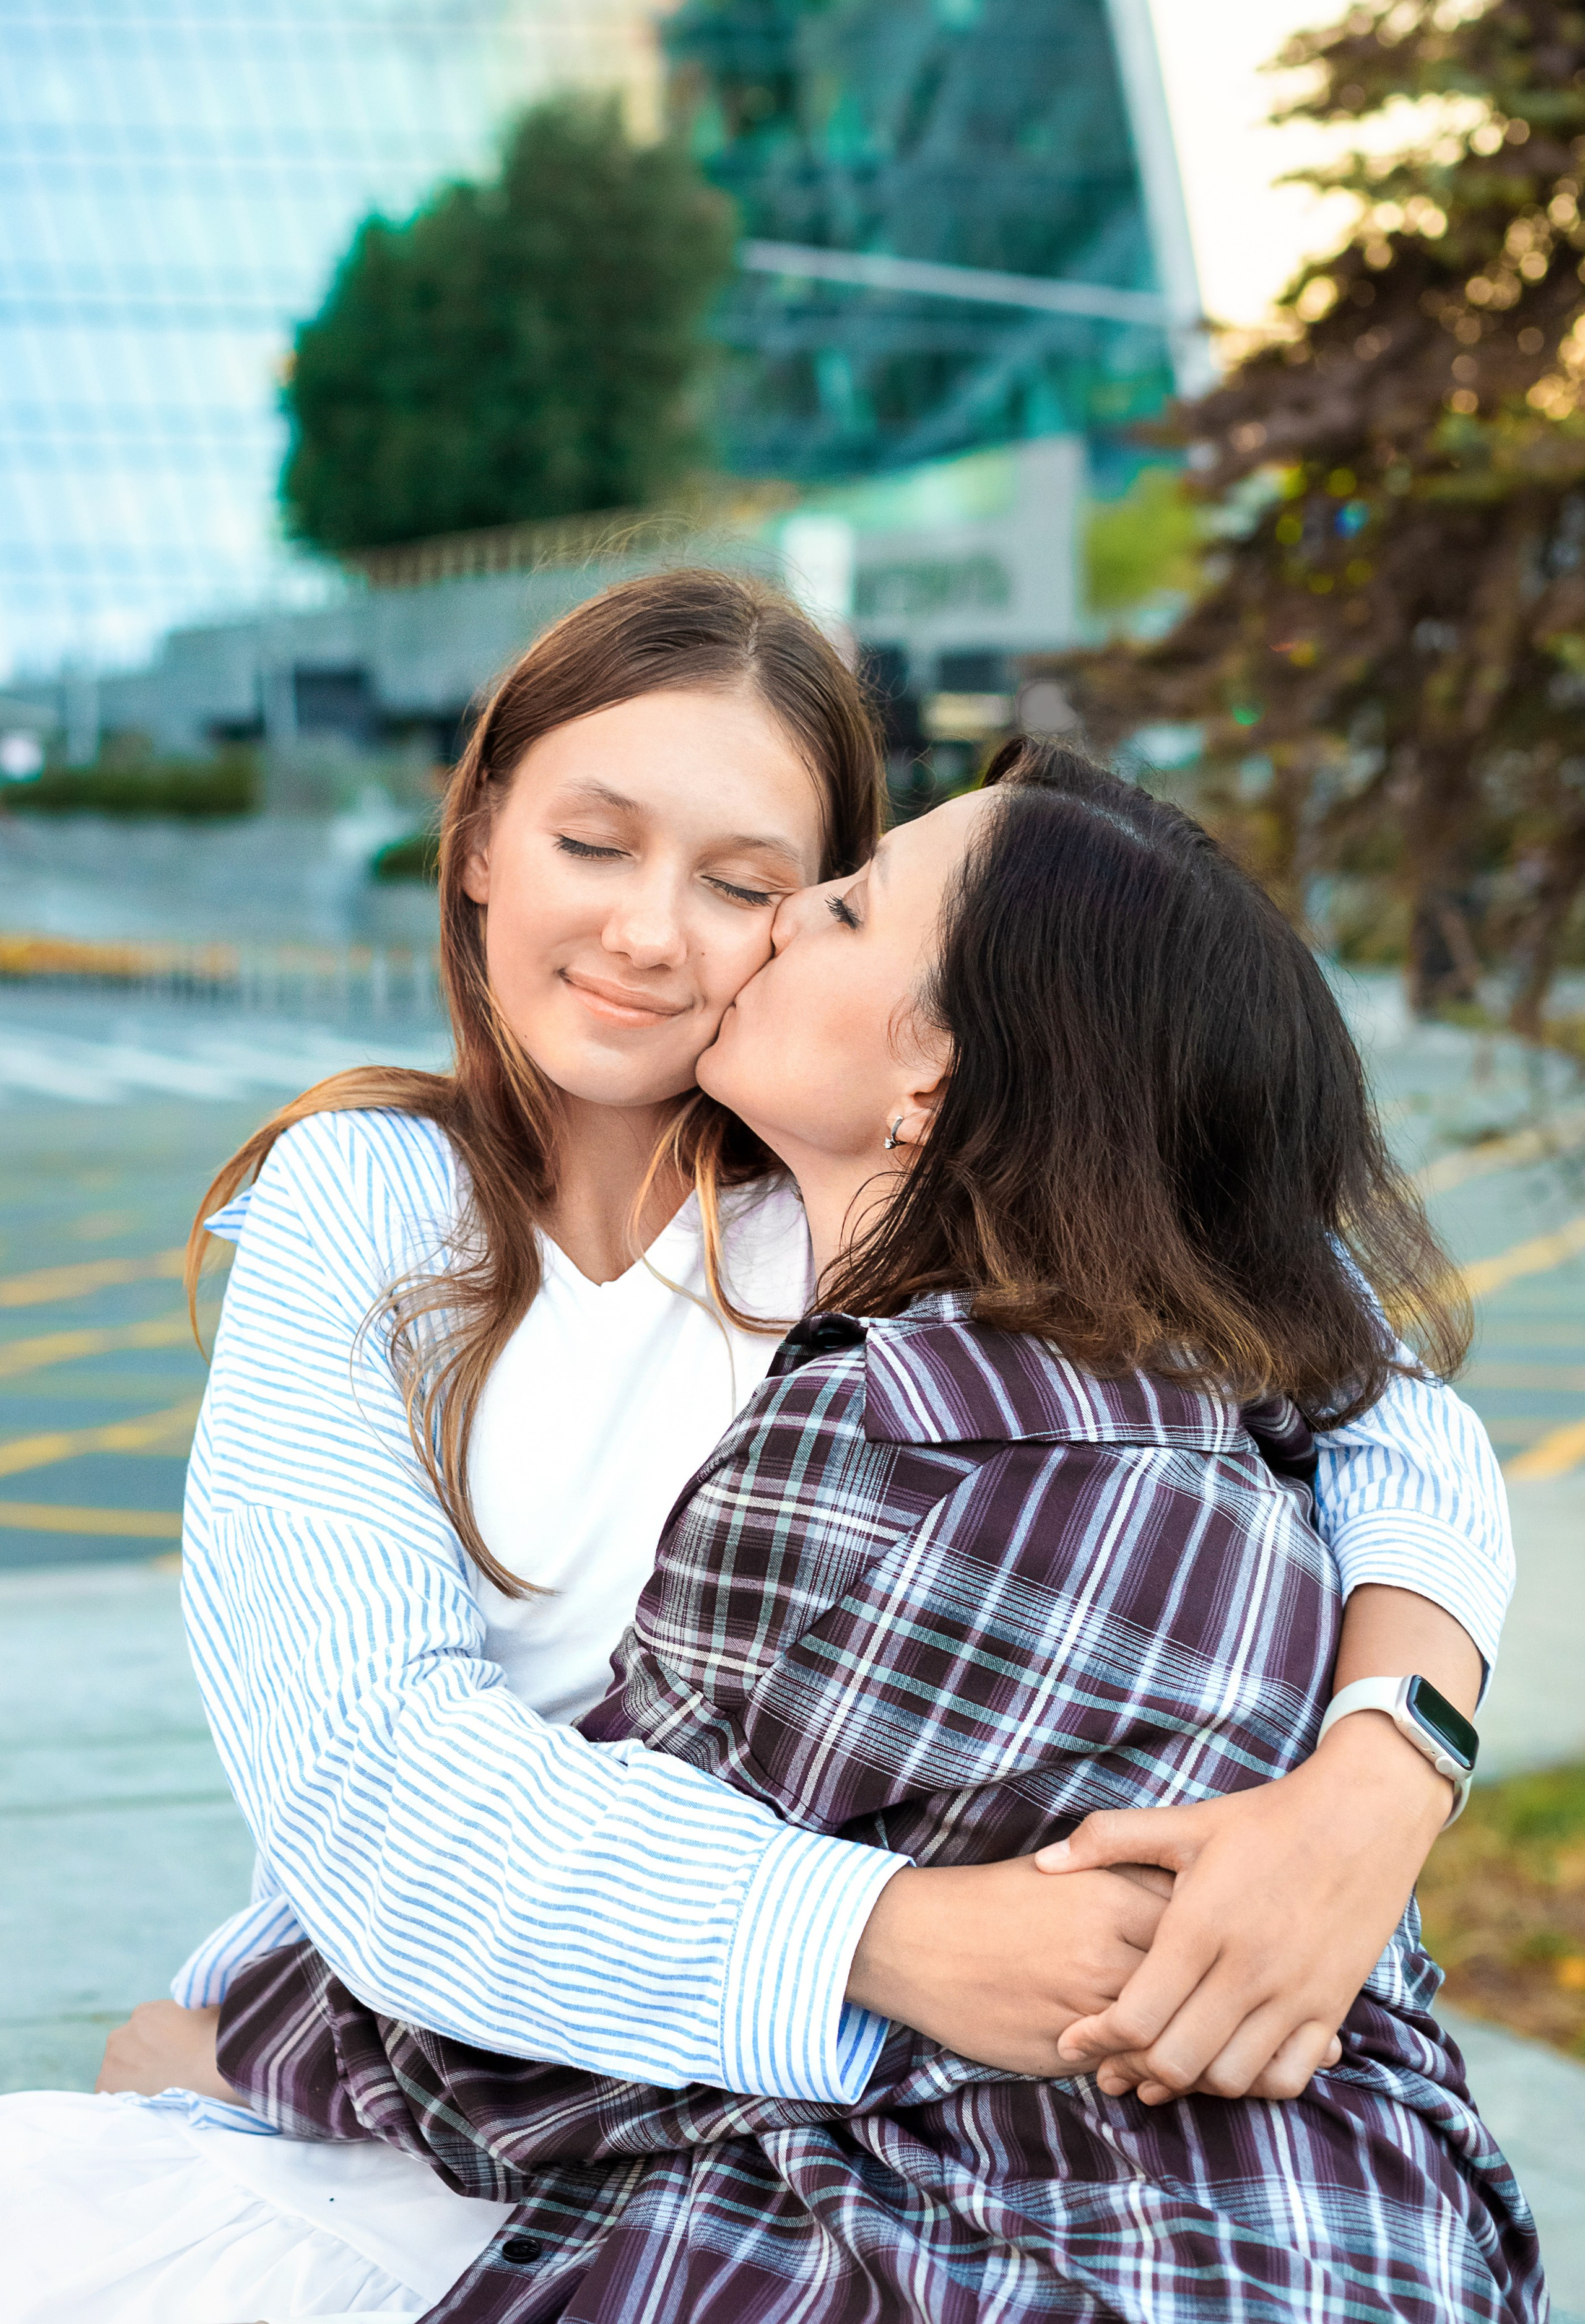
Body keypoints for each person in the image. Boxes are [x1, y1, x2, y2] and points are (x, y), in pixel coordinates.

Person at [0, 578, 1509, 2318]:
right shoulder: (371, 1203)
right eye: (592, 841)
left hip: (815, 2131)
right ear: (480, 837)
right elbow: (371, 1770)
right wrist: (892, 1936)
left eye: (753, 887)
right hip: (474, 2031)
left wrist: (1383, 1772)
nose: (655, 933)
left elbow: (1382, 1405)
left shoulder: (912, 1198)